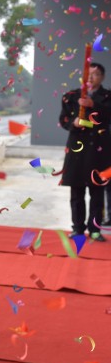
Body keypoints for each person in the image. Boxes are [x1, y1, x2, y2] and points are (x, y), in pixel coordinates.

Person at [59, 62, 111, 243]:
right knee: (76, 192)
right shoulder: (71, 96)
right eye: (88, 73)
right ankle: (78, 228)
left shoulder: (107, 96)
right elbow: (63, 119)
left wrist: (93, 104)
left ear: (102, 77)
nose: (90, 77)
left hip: (99, 150)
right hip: (77, 149)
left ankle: (95, 230)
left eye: (95, 74)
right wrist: (73, 123)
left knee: (97, 193)